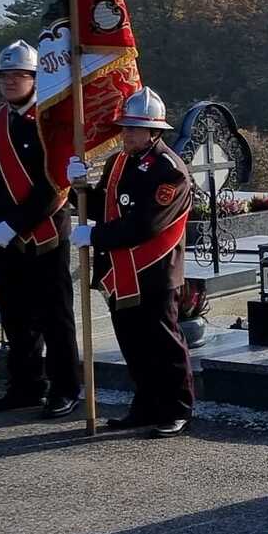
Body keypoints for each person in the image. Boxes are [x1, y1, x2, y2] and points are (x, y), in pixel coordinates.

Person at [67, 87, 194, 437]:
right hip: (119, 271)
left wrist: (96, 236)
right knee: (133, 345)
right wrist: (77, 188)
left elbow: (146, 225)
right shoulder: (118, 162)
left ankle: (177, 409)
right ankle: (147, 406)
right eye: (125, 127)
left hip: (154, 271)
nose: (127, 134)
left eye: (135, 128)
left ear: (154, 131)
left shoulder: (170, 170)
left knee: (164, 345)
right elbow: (101, 207)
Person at [0, 40, 80, 418]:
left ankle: (65, 388)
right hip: (0, 235)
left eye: (18, 75)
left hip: (43, 233)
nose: (10, 81)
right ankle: (25, 386)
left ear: (36, 78)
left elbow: (55, 183)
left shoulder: (52, 121)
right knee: (15, 316)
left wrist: (14, 224)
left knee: (54, 317)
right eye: (5, 75)